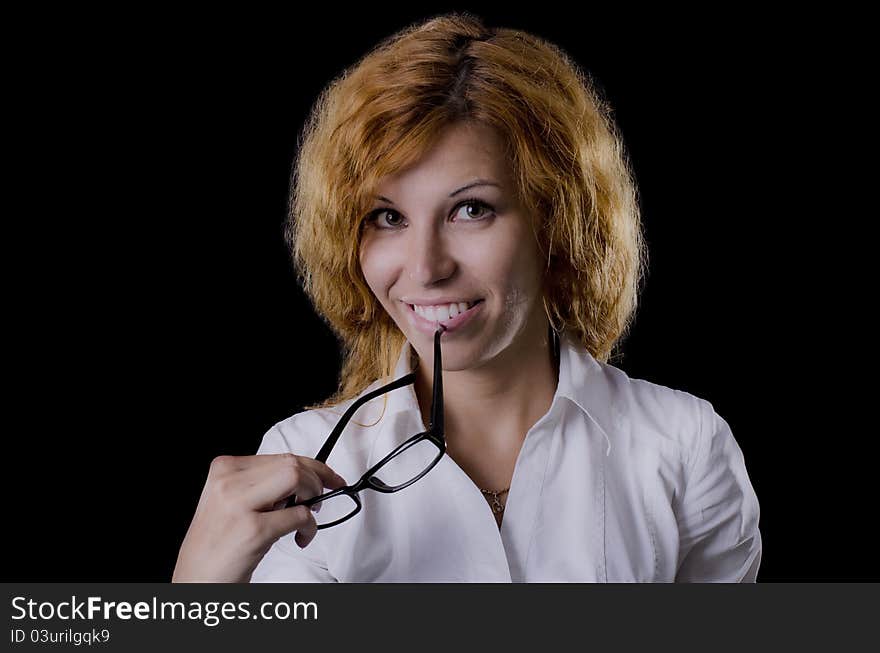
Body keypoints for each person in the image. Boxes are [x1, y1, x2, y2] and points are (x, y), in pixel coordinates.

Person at [172, 12, 762, 583]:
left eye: (471, 210)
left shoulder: (684, 445)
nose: (426, 268)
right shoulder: (295, 463)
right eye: (387, 216)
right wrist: (198, 591)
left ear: (556, 222)